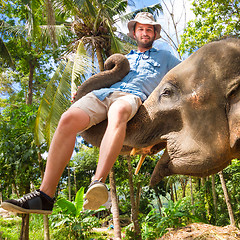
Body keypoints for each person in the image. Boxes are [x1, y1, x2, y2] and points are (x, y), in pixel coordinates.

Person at [1, 12, 181, 214]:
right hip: (103, 93)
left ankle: (98, 182)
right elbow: (107, 77)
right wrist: (84, 91)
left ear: (155, 34)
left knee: (118, 110)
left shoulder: (165, 57)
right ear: (134, 33)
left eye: (149, 29)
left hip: (134, 97)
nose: (145, 32)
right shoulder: (126, 58)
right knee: (67, 119)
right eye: (141, 29)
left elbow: (185, 76)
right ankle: (44, 196)